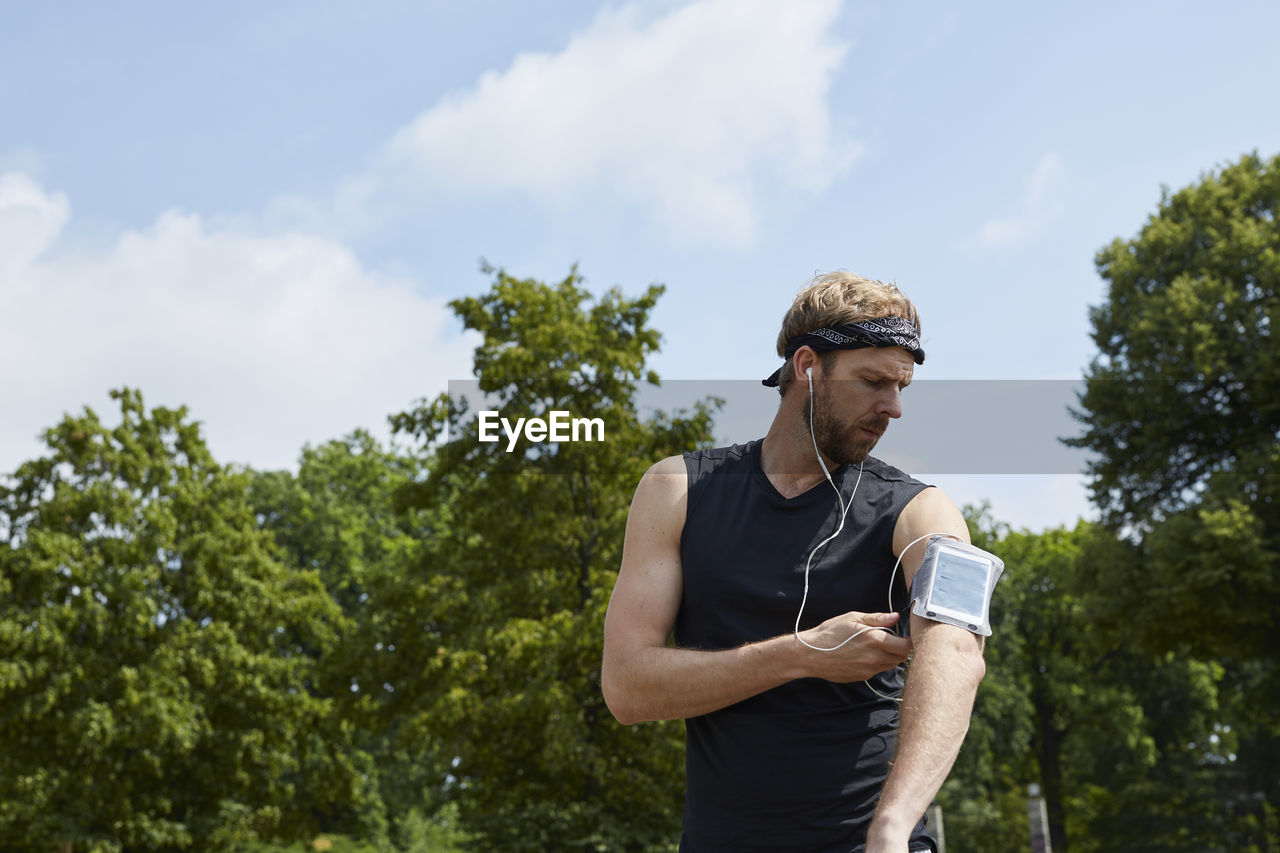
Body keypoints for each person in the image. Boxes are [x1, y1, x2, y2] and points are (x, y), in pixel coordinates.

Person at [601, 272, 987, 852]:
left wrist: (893, 827)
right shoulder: (676, 490)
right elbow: (627, 688)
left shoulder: (923, 511)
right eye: (873, 381)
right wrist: (804, 654)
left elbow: (957, 651)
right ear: (808, 366)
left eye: (902, 385)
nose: (894, 407)